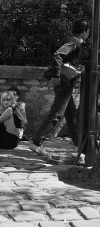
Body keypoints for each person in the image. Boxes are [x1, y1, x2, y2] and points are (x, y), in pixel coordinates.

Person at [30, 18, 90, 156]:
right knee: (57, 113)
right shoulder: (75, 41)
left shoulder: (75, 41)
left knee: (71, 115)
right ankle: (36, 142)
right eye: (88, 32)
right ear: (83, 32)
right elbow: (58, 54)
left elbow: (67, 59)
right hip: (64, 81)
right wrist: (57, 75)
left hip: (65, 80)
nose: (88, 35)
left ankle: (79, 146)